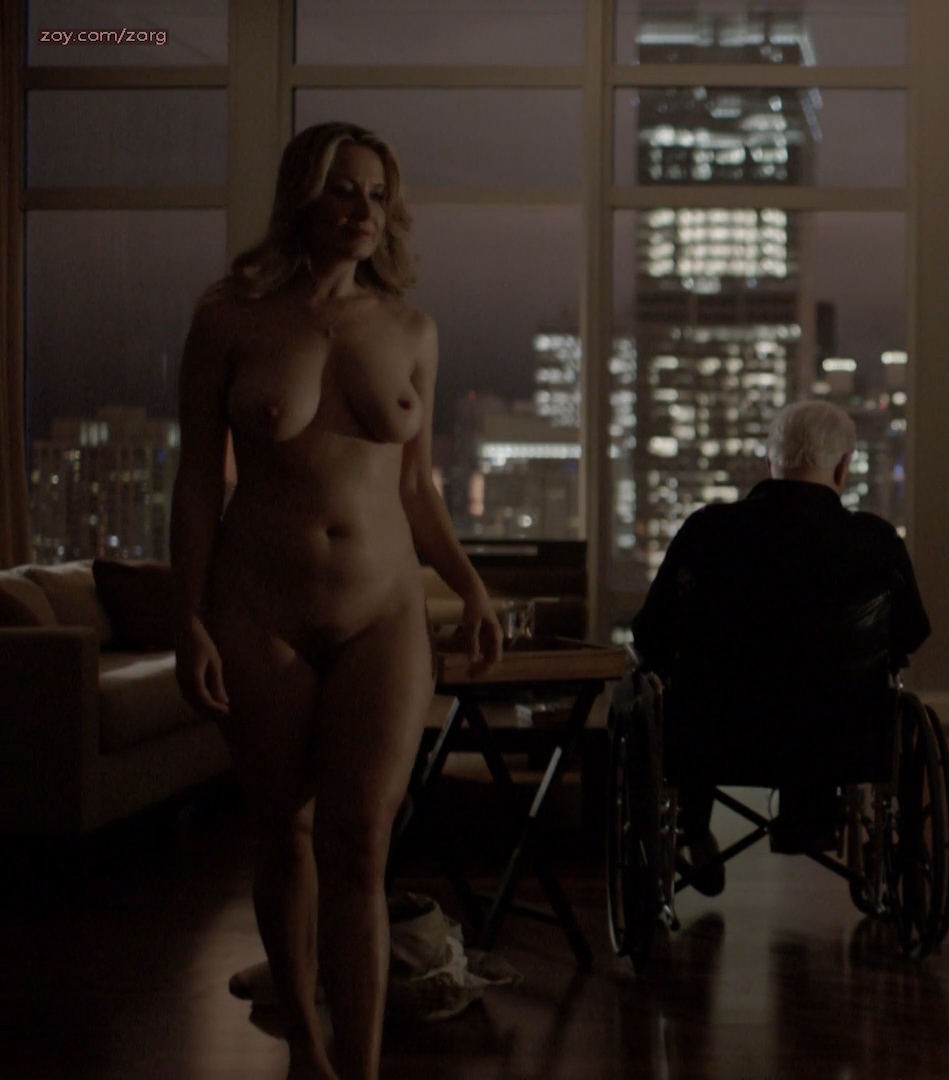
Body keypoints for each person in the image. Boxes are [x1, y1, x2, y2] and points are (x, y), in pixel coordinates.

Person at [170, 122, 503, 1079]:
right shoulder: (229, 320)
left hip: (383, 614)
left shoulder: (410, 330)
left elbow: (418, 488)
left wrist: (470, 585)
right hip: (258, 611)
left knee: (362, 843)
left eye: (378, 194)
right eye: (345, 190)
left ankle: (359, 1069)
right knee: (286, 831)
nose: (365, 211)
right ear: (303, 198)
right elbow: (196, 483)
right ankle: (307, 1054)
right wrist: (188, 616)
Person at [631, 400, 931, 894]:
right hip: (843, 739)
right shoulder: (875, 542)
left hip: (716, 737)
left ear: (770, 461)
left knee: (669, 687)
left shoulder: (707, 531)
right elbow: (910, 634)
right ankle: (823, 827)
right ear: (843, 467)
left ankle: (691, 828)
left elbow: (652, 636)